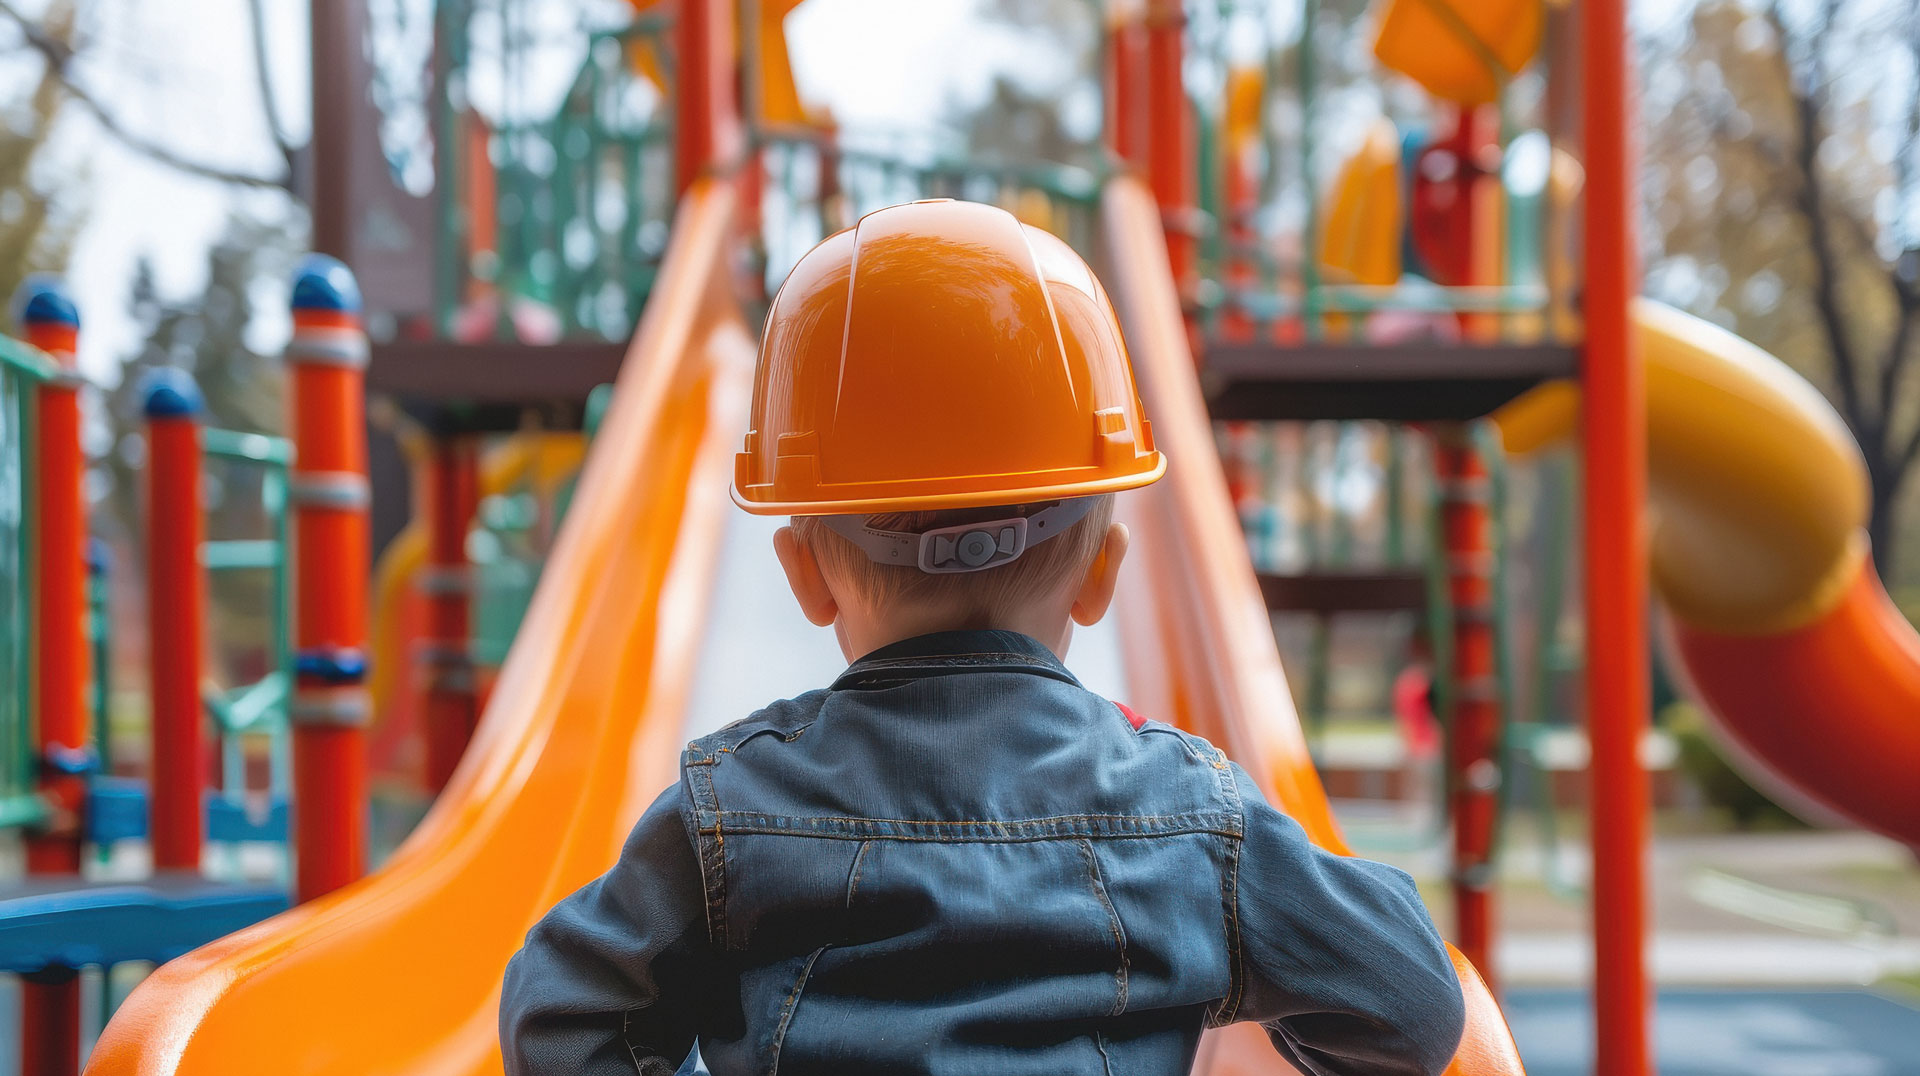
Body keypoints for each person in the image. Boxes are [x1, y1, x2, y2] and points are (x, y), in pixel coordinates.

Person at [499, 199, 1465, 1075]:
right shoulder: (1186, 817)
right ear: (1100, 577)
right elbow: (1414, 1004)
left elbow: (555, 1015)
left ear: (804, 576)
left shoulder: (730, 812)